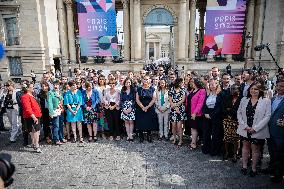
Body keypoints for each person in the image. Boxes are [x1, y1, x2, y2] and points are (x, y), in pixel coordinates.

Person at [237, 82, 271, 177]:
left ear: (260, 90)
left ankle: (254, 168)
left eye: (256, 89)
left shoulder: (266, 101)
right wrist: (245, 126)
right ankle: (244, 166)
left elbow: (267, 116)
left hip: (258, 130)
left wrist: (255, 128)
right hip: (245, 129)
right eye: (252, 88)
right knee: (245, 147)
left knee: (255, 149)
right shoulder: (244, 99)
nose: (253, 90)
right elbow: (239, 113)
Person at [268, 78, 284, 182]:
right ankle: (272, 169)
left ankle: (279, 174)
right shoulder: (273, 99)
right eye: (277, 86)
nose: (279, 88)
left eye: (282, 86)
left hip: (280, 132)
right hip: (270, 130)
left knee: (280, 153)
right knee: (272, 151)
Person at [202, 79, 222, 156]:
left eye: (213, 84)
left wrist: (212, 115)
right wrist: (205, 113)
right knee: (206, 133)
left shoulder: (220, 94)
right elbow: (204, 105)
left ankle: (214, 150)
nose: (212, 86)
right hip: (207, 116)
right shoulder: (208, 94)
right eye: (210, 85)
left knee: (215, 134)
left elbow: (219, 107)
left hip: (216, 116)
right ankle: (206, 148)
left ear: (217, 85)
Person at [222, 84, 242, 162]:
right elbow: (223, 108)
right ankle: (226, 153)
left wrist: (230, 110)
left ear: (238, 90)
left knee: (236, 139)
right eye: (231, 89)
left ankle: (235, 154)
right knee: (226, 138)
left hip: (237, 121)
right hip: (227, 121)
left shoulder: (241, 99)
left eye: (234, 89)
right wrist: (231, 110)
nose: (232, 90)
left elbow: (239, 111)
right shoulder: (227, 98)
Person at [21, 81, 42, 153]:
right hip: (32, 117)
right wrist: (33, 117)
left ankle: (34, 143)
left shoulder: (31, 95)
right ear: (27, 88)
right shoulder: (25, 96)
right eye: (32, 87)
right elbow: (27, 108)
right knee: (35, 131)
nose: (33, 88)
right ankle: (36, 145)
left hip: (36, 115)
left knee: (36, 131)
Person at [136, 75, 157, 143]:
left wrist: (147, 107)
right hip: (140, 108)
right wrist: (142, 107)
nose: (146, 80)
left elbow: (154, 99)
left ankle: (149, 135)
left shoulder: (152, 88)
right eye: (144, 79)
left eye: (147, 79)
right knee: (141, 122)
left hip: (149, 108)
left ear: (150, 80)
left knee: (149, 122)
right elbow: (137, 99)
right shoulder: (139, 89)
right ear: (142, 80)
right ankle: (141, 136)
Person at [187, 78, 206, 150]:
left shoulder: (202, 91)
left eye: (192, 82)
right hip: (190, 112)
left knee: (194, 128)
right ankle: (194, 141)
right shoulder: (192, 90)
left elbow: (200, 103)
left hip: (196, 113)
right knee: (193, 127)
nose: (190, 83)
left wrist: (195, 113)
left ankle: (194, 143)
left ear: (196, 83)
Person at [169, 78, 186, 146]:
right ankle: (175, 139)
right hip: (173, 110)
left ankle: (181, 140)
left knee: (179, 126)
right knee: (173, 126)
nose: (183, 83)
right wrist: (175, 107)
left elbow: (183, 100)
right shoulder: (171, 90)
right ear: (179, 83)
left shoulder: (183, 90)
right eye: (182, 82)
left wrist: (176, 105)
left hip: (180, 110)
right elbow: (170, 100)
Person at [48, 80, 66, 145]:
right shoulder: (50, 93)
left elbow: (62, 100)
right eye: (54, 85)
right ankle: (56, 139)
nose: (55, 86)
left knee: (61, 124)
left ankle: (61, 137)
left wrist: (63, 108)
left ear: (59, 85)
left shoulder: (60, 92)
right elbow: (50, 103)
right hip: (55, 111)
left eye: (57, 85)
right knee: (56, 125)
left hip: (61, 110)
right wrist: (51, 112)